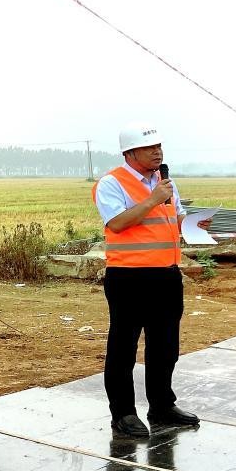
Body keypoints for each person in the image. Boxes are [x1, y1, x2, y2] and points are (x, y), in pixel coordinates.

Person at [92, 121, 199, 437]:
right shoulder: (112, 183)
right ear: (130, 152)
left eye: (160, 147)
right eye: (150, 148)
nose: (158, 153)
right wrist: (153, 199)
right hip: (129, 278)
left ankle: (162, 406)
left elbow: (174, 218)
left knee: (165, 346)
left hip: (167, 274)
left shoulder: (165, 182)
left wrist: (195, 226)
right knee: (123, 347)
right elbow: (118, 223)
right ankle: (123, 414)